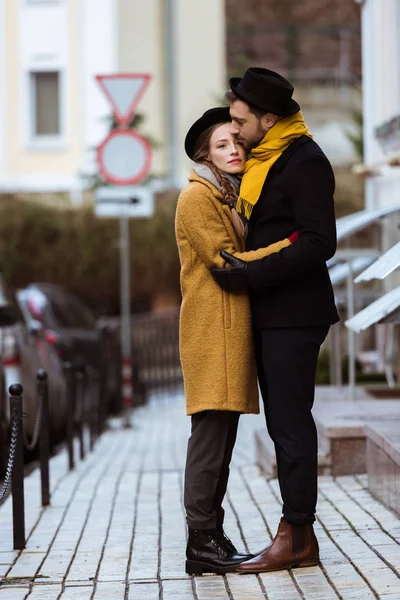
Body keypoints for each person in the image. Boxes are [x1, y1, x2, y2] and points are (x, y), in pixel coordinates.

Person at [211, 67, 340, 574]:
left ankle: (297, 535)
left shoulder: (304, 160)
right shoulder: (266, 159)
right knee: (283, 424)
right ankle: (295, 532)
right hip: (273, 312)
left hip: (294, 312)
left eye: (241, 120)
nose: (236, 130)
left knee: (290, 427)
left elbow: (318, 241)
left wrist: (251, 273)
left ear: (269, 117)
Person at [175, 107, 299, 576]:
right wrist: (288, 245)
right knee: (209, 442)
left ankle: (211, 537)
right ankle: (200, 542)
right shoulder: (196, 197)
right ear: (206, 153)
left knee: (220, 443)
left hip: (228, 332)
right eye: (223, 145)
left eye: (238, 143)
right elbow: (226, 260)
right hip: (212, 332)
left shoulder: (226, 194)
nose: (234, 151)